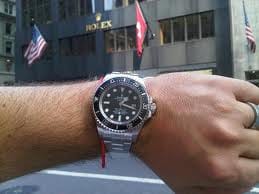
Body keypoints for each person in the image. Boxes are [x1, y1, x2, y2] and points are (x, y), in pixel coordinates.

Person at [0, 72, 259, 194]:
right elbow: (97, 104)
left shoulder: (144, 106)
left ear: (148, 108)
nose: (125, 104)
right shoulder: (116, 106)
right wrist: (153, 130)